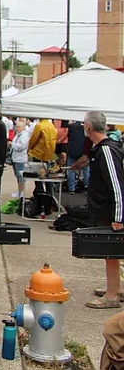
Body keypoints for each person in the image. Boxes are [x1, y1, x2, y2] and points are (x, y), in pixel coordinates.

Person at [83, 111, 124, 309]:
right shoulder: (102, 149)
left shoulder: (106, 150)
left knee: (111, 252)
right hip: (107, 208)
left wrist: (118, 216)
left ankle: (111, 295)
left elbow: (116, 184)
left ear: (88, 127)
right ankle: (115, 288)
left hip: (110, 210)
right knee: (112, 253)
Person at [28, 117, 58, 215]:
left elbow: (33, 140)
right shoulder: (52, 127)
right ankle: (48, 204)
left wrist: (29, 149)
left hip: (38, 154)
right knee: (49, 180)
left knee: (38, 180)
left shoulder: (39, 126)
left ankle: (39, 203)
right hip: (49, 155)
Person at [10, 121, 30, 199]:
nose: (16, 128)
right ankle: (19, 191)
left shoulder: (24, 135)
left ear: (23, 128)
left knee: (21, 177)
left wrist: (12, 144)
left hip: (20, 159)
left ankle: (21, 192)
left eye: (18, 127)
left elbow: (21, 146)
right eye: (16, 126)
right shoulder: (18, 135)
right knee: (17, 176)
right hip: (15, 158)